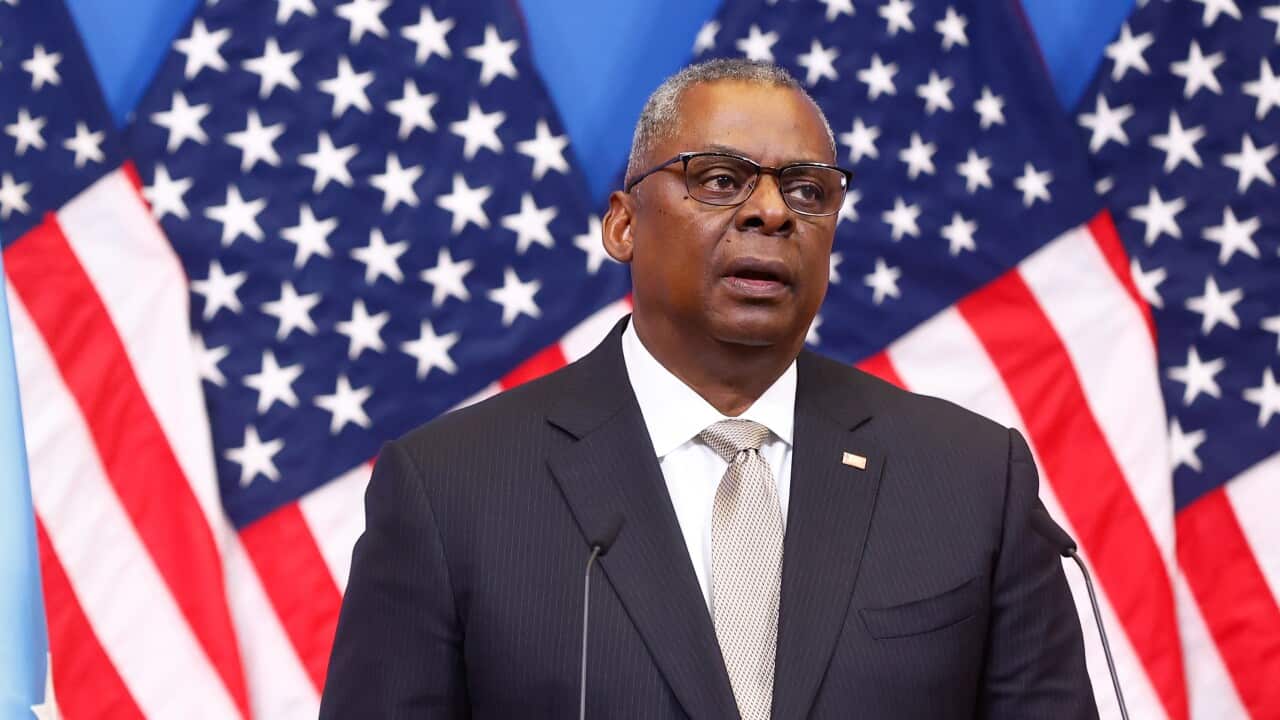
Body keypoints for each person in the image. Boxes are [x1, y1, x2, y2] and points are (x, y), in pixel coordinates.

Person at [321, 59, 1098, 719]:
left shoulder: (966, 479)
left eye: (807, 191)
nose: (771, 211)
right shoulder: (451, 491)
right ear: (623, 225)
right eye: (721, 179)